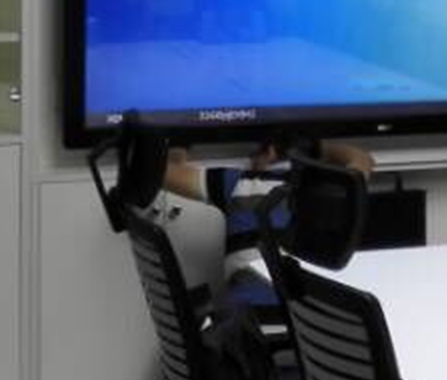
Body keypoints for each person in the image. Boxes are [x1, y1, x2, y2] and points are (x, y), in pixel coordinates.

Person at [161, 134, 377, 322]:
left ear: (269, 153)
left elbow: (162, 173)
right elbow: (363, 159)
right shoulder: (334, 194)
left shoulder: (242, 186)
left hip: (251, 323)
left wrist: (178, 148)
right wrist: (315, 148)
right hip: (306, 325)